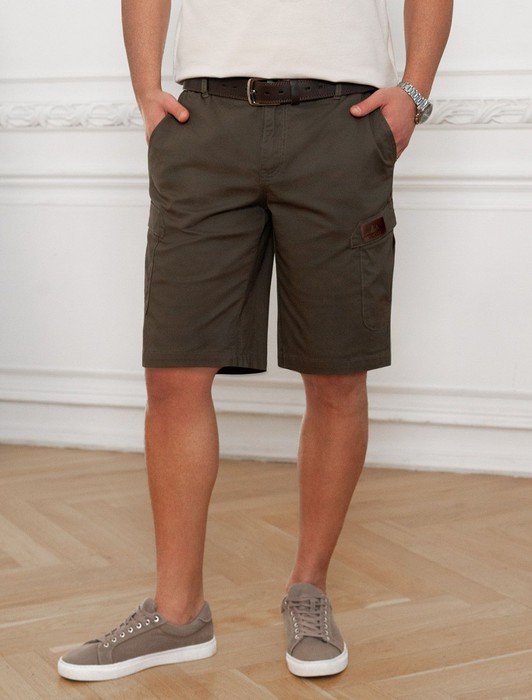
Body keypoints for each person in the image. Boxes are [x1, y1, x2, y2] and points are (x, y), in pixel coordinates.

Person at [58, 0, 453, 682]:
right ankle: (177, 614)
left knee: (337, 373)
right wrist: (146, 89)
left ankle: (309, 590)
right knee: (173, 371)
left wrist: (414, 93)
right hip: (205, 123)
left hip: (343, 121)